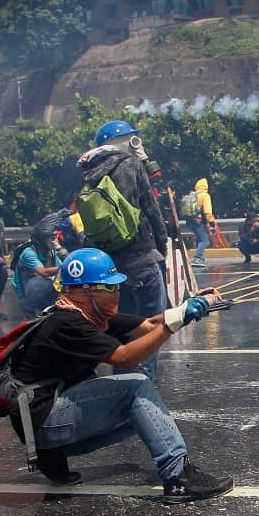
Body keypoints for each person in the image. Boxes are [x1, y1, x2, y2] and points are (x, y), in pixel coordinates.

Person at [8, 248, 234, 501]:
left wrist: (188, 307)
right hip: (43, 422)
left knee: (145, 414)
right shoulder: (68, 323)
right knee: (136, 387)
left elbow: (148, 325)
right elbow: (126, 357)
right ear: (84, 291)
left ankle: (53, 456)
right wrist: (175, 322)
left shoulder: (92, 315)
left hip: (44, 420)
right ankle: (178, 477)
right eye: (109, 288)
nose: (117, 292)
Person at [77, 120, 169, 381]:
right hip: (141, 258)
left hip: (112, 267)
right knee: (151, 328)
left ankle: (121, 385)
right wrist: (161, 244)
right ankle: (141, 389)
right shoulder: (130, 164)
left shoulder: (90, 169)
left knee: (125, 328)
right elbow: (150, 206)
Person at [11, 223, 61, 318]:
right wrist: (66, 267)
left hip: (43, 291)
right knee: (42, 282)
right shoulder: (28, 253)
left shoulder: (51, 252)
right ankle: (28, 309)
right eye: (52, 238)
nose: (55, 241)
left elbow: (62, 269)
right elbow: (43, 272)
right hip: (27, 291)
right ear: (42, 239)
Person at [186, 178, 215, 267]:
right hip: (198, 221)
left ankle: (200, 258)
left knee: (200, 239)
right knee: (205, 241)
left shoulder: (192, 195)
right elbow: (207, 211)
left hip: (189, 221)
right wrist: (211, 222)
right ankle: (197, 258)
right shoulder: (205, 196)